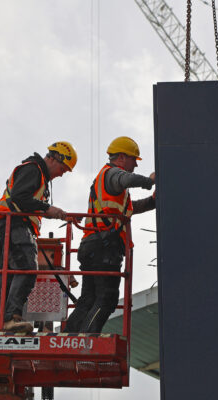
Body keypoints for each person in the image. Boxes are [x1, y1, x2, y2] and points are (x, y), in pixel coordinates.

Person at [64, 136, 155, 333]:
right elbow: (127, 179)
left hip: (91, 244)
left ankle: (69, 337)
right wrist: (149, 181)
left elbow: (128, 209)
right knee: (106, 297)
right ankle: (87, 340)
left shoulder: (105, 179)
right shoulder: (114, 174)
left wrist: (152, 201)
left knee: (88, 299)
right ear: (121, 157)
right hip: (104, 247)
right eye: (133, 160)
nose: (135, 166)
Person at [0, 141, 77, 332]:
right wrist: (47, 208)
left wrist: (51, 211)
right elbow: (20, 197)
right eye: (62, 168)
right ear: (53, 158)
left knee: (5, 278)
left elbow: (24, 200)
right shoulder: (34, 170)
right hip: (13, 225)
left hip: (4, 225)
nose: (61, 174)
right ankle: (10, 320)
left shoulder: (36, 173)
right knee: (26, 270)